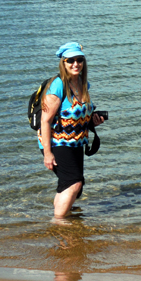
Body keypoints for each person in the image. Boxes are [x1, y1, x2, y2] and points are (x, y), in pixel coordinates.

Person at [38, 42, 105, 220]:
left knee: (72, 184)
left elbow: (75, 116)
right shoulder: (58, 86)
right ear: (64, 63)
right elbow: (45, 121)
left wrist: (92, 122)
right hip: (57, 142)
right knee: (74, 182)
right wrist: (47, 153)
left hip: (75, 141)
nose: (76, 64)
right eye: (71, 61)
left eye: (79, 60)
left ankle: (64, 214)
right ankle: (58, 221)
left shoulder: (83, 84)